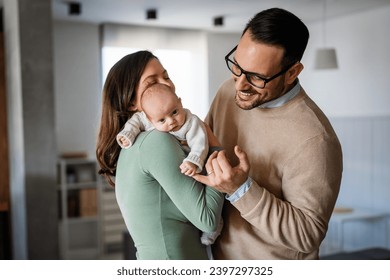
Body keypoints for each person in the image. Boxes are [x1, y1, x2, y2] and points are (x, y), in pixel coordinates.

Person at [193, 7, 343, 259]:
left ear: (292, 72)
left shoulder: (315, 138)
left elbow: (308, 234)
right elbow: (202, 148)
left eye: (256, 77)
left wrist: (241, 190)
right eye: (237, 66)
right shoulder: (226, 93)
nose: (240, 84)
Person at [96, 50, 224, 259]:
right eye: (151, 82)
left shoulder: (131, 147)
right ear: (131, 103)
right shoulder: (156, 141)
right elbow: (207, 219)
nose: (166, 85)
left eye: (166, 76)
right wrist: (215, 148)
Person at [116, 83, 208, 177]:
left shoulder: (191, 122)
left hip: (189, 165)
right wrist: (129, 133)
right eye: (162, 120)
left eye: (174, 112)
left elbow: (199, 143)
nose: (171, 121)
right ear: (150, 119)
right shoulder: (151, 118)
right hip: (165, 167)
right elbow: (137, 120)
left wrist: (193, 161)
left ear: (180, 103)